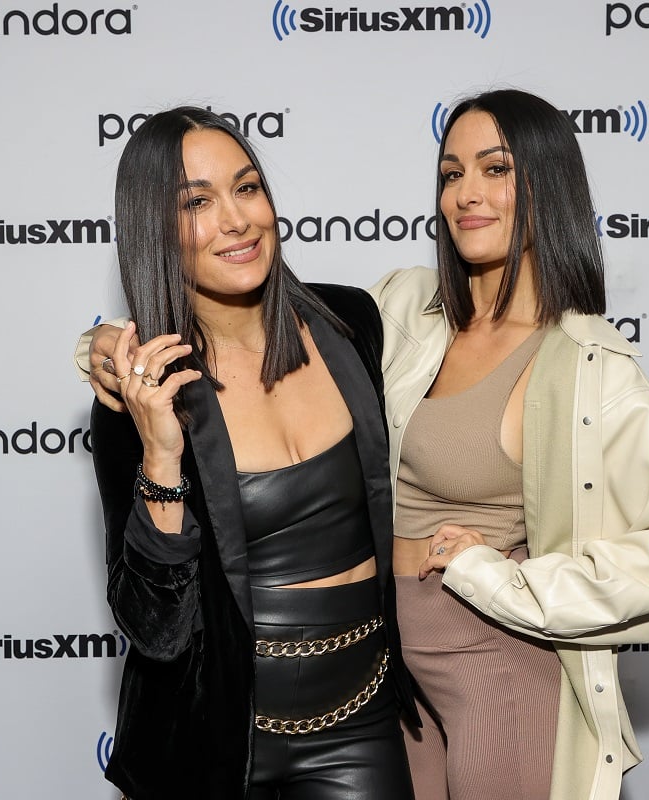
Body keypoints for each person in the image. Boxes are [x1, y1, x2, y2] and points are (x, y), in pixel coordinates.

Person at [82, 90, 649, 800]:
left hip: (415, 700)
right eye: (451, 174)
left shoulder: (567, 367)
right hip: (273, 728)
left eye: (248, 188)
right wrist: (111, 355)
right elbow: (156, 628)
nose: (467, 195)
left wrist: (500, 576)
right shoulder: (402, 316)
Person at [87, 106, 416, 800]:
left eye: (248, 187)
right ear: (155, 229)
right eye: (197, 202)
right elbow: (155, 630)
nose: (236, 220)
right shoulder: (140, 394)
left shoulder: (349, 322)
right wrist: (161, 460)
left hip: (360, 721)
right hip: (213, 748)